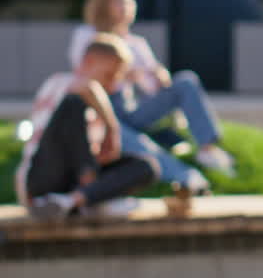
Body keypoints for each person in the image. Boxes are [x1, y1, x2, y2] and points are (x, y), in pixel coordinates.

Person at [71, 0, 235, 178]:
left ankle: (207, 150)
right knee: (140, 145)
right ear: (104, 4)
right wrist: (125, 71)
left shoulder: (137, 44)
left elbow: (150, 87)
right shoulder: (88, 35)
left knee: (185, 81)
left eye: (130, 1)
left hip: (129, 107)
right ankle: (186, 178)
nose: (126, 7)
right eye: (119, 1)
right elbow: (85, 72)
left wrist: (158, 77)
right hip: (99, 108)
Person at [15, 35, 160, 219]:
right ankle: (81, 200)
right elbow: (85, 88)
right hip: (43, 177)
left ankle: (71, 201)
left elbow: (95, 154)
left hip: (75, 181)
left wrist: (100, 158)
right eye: (109, 75)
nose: (114, 84)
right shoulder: (60, 83)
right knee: (74, 104)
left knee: (146, 166)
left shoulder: (98, 108)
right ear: (88, 62)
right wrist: (112, 126)